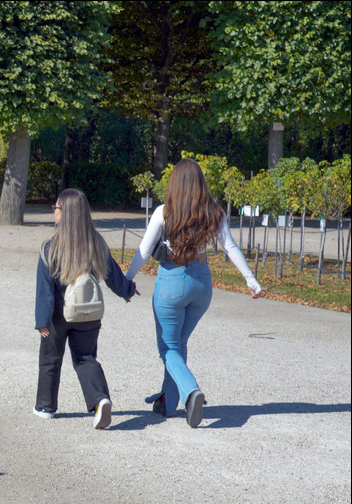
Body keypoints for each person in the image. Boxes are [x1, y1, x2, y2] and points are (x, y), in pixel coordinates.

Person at [126, 157, 262, 428]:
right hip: (202, 284)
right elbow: (230, 246)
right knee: (179, 345)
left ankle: (191, 391)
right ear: (201, 184)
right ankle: (169, 403)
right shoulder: (214, 213)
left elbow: (143, 251)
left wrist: (127, 281)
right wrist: (251, 280)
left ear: (174, 183)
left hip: (172, 283)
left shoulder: (164, 212)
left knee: (168, 348)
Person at [35, 188, 139, 429]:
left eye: (56, 207)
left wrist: (42, 320)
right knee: (85, 358)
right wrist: (128, 291)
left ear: (67, 212)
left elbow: (44, 290)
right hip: (89, 311)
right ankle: (100, 399)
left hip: (58, 314)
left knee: (51, 358)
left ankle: (45, 407)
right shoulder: (96, 242)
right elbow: (112, 274)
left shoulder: (50, 246)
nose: (54, 210)